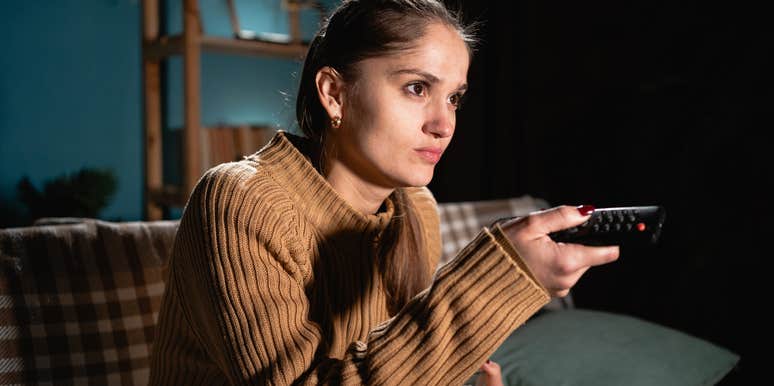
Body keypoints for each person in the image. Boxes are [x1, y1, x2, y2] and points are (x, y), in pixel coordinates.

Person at [148, 0, 619, 384]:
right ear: (334, 93)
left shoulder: (415, 209)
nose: (444, 124)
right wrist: (499, 275)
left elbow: (397, 367)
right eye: (417, 88)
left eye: (454, 97)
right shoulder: (240, 202)